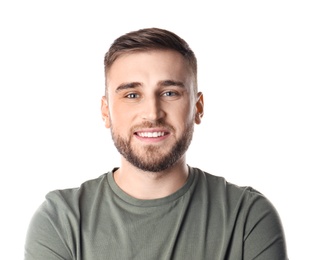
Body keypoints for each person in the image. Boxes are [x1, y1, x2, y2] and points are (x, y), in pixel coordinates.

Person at [24, 27, 288, 260]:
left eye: (170, 93)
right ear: (106, 111)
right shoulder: (60, 220)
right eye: (132, 94)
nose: (152, 113)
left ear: (197, 107)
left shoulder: (247, 217)